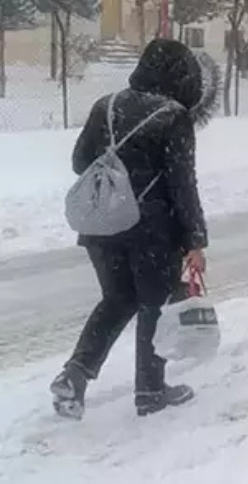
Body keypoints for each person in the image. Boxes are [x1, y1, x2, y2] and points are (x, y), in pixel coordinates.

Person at [52, 39, 217, 420]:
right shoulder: (173, 116)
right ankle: (150, 391)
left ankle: (75, 375)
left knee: (117, 299)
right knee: (153, 305)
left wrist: (118, 173)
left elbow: (80, 161)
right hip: (151, 231)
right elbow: (182, 184)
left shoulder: (106, 105)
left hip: (102, 224)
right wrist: (195, 240)